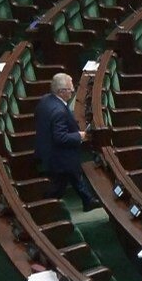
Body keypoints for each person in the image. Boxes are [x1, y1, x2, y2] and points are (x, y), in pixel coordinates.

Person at [36, 74, 100, 209]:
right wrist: (79, 135)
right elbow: (61, 138)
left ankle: (88, 200)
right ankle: (45, 208)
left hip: (48, 148)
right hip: (58, 156)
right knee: (59, 185)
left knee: (73, 176)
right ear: (61, 92)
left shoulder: (45, 100)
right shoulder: (59, 111)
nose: (73, 91)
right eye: (70, 89)